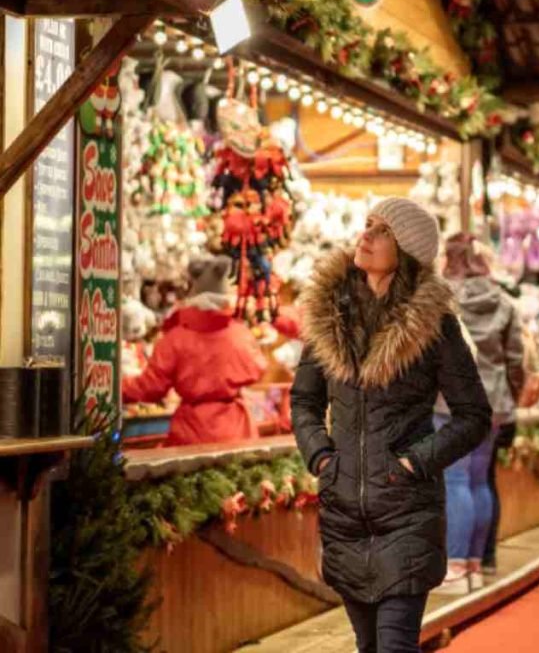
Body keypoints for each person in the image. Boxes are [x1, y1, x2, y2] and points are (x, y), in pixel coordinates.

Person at [291, 198, 492, 652]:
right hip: (344, 515)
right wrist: (321, 457)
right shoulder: (330, 317)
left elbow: (474, 415)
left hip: (407, 512)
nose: (366, 235)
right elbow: (305, 400)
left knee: (394, 647)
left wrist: (414, 463)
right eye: (367, 225)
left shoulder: (434, 326)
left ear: (406, 252)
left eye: (382, 231)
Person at [434, 233, 525, 593]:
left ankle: (455, 568)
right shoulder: (503, 301)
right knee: (477, 481)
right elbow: (516, 360)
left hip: (450, 403)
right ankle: (475, 564)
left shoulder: (440, 299)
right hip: (493, 404)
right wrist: (509, 397)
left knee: (455, 481)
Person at [123, 255, 266, 446]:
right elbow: (259, 369)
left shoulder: (175, 339)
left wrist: (115, 388)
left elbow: (150, 388)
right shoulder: (241, 334)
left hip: (191, 433)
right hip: (238, 432)